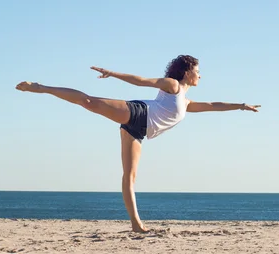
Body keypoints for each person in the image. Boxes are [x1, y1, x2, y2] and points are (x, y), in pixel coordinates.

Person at [15, 55, 261, 232]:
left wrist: (240, 106)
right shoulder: (173, 85)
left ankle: (135, 224)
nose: (200, 74)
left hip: (139, 131)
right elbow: (142, 80)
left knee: (129, 177)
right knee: (89, 102)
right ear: (187, 72)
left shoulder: (185, 101)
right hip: (138, 113)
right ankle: (40, 87)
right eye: (198, 70)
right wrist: (113, 74)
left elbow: (211, 106)